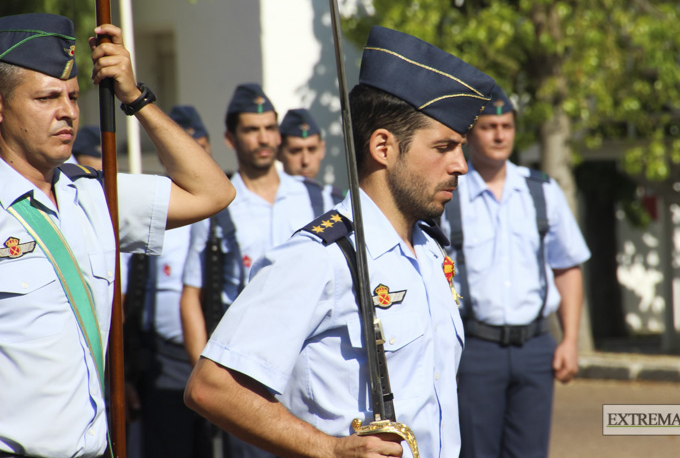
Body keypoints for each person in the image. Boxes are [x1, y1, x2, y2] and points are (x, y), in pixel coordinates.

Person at [184, 26, 496, 458]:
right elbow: (212, 388)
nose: (461, 164)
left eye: (460, 147)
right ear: (384, 147)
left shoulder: (428, 250)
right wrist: (330, 449)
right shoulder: (319, 257)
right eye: (444, 146)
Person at [0, 13, 235, 458]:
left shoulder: (93, 192)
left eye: (72, 96)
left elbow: (213, 191)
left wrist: (134, 96)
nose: (67, 111)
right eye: (47, 98)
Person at [180, 84, 335, 457]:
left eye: (269, 128)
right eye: (252, 130)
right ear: (231, 138)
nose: (263, 138)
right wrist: (212, 384)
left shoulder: (318, 198)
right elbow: (192, 297)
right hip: (246, 376)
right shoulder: (219, 202)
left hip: (309, 371)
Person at [440, 86, 591, 458]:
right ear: (470, 134)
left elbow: (567, 266)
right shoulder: (448, 195)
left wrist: (569, 340)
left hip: (535, 347)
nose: (499, 134)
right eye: (490, 126)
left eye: (507, 126)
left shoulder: (542, 191)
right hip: (476, 349)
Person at [123, 105, 215, 458]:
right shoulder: (149, 210)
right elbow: (124, 300)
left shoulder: (228, 210)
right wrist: (127, 374)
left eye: (200, 148)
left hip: (218, 358)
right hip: (162, 362)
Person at [278, 107, 344, 210]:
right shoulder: (267, 200)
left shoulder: (335, 201)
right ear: (278, 152)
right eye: (296, 151)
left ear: (322, 150)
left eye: (312, 149)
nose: (305, 161)